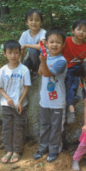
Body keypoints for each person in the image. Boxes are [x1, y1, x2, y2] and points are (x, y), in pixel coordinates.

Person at [33, 28, 67, 162]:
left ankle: (53, 150)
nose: (54, 45)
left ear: (63, 44)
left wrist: (42, 61)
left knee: (56, 128)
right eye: (51, 42)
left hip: (57, 102)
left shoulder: (61, 61)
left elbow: (47, 73)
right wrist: (43, 60)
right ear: (46, 43)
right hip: (44, 101)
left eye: (58, 42)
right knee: (45, 125)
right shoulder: (47, 58)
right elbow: (40, 73)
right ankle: (42, 148)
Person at [0, 40, 31, 163]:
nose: (13, 56)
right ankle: (8, 150)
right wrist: (7, 98)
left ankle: (17, 151)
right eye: (10, 53)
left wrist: (20, 101)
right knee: (7, 127)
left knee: (18, 127)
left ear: (20, 53)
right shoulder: (3, 70)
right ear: (4, 53)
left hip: (20, 105)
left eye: (16, 53)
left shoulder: (24, 70)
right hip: (6, 105)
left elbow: (27, 87)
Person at [62, 18, 86, 124]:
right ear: (73, 30)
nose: (81, 32)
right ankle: (71, 108)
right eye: (79, 29)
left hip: (80, 67)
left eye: (85, 30)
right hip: (68, 68)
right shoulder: (66, 41)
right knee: (71, 83)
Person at [19, 8, 46, 74]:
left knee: (33, 51)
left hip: (43, 59)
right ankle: (32, 70)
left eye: (37, 20)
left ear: (41, 22)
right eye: (31, 20)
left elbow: (40, 46)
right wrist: (19, 65)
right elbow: (20, 51)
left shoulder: (43, 33)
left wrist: (26, 45)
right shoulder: (25, 34)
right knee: (23, 70)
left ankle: (37, 70)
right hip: (30, 59)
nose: (34, 22)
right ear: (26, 22)